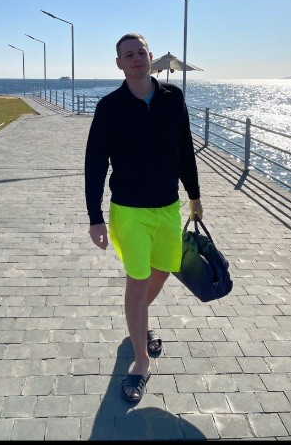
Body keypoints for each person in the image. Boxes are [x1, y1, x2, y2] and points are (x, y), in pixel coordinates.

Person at [85, 32, 203, 403]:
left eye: (141, 52)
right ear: (119, 63)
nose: (136, 59)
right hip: (129, 212)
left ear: (150, 57)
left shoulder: (173, 98)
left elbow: (184, 149)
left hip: (168, 207)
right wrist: (95, 216)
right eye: (128, 55)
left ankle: (138, 321)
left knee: (163, 270)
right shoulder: (110, 107)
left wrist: (194, 195)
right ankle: (140, 361)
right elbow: (95, 163)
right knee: (137, 281)